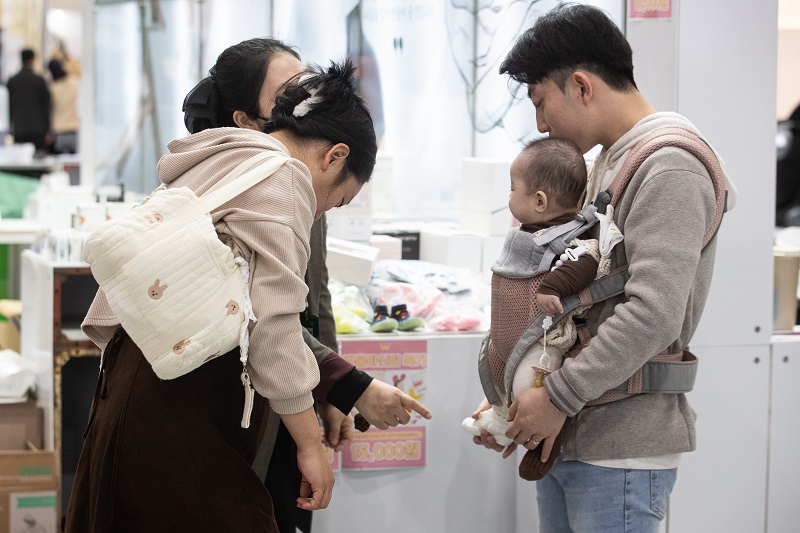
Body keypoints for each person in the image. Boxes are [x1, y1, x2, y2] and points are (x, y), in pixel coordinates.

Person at [66, 58, 377, 533]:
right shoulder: (285, 176)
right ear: (334, 156)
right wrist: (311, 446)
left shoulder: (222, 154)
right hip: (177, 406)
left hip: (134, 384)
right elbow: (273, 326)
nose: (322, 214)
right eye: (337, 200)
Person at [470, 4, 737, 531]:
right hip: (573, 431)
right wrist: (514, 398)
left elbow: (653, 312)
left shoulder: (670, 167)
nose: (541, 124)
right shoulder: (608, 164)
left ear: (582, 86)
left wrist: (557, 396)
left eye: (541, 103)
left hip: (620, 448)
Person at [181, 37, 431, 533]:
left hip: (290, 390)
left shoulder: (292, 175)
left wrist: (331, 395)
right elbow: (269, 322)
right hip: (244, 398)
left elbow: (314, 296)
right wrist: (345, 391)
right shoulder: (270, 184)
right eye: (287, 96)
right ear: (247, 122)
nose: (302, 102)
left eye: (306, 86)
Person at [462, 138, 601, 472]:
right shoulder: (531, 233)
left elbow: (587, 260)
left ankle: (541, 452)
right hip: (507, 338)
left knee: (529, 387)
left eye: (512, 189)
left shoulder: (566, 238)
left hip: (540, 344)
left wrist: (554, 285)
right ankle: (499, 419)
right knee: (495, 373)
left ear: (539, 201)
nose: (508, 197)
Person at [7, 48, 51, 153]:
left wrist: (10, 127)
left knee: (21, 160)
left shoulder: (12, 81)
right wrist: (48, 129)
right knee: (37, 158)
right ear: (33, 60)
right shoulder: (39, 81)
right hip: (38, 128)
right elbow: (46, 106)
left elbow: (9, 107)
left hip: (19, 128)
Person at [47, 58, 80, 154]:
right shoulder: (75, 82)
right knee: (71, 163)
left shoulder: (51, 88)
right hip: (72, 127)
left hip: (57, 129)